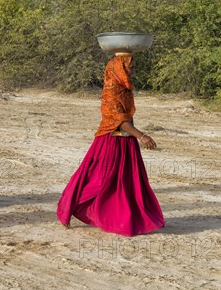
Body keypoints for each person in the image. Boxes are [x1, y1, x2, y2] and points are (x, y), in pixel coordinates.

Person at [57, 54, 165, 236]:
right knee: (100, 179)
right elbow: (120, 120)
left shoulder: (124, 88)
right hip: (110, 141)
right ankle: (73, 207)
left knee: (126, 182)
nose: (133, 71)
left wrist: (136, 136)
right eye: (130, 67)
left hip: (124, 141)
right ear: (120, 68)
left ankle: (125, 217)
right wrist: (142, 136)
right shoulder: (112, 90)